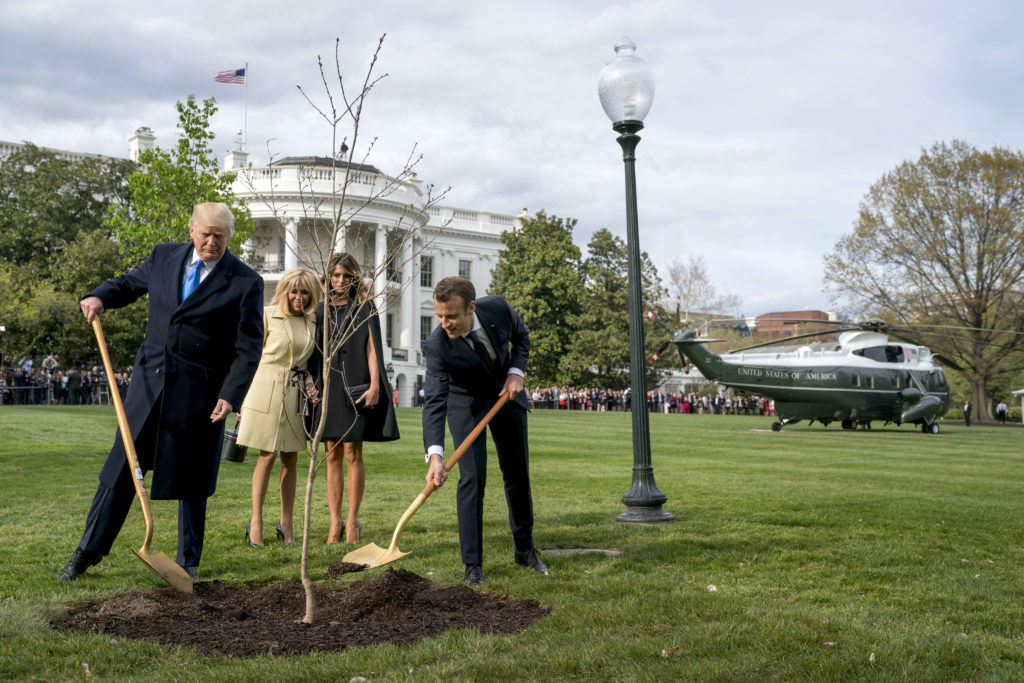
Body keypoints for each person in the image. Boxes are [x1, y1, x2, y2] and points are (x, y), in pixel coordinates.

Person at [58, 202, 264, 582]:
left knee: (193, 481)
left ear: (230, 237)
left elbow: (249, 348)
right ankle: (86, 553)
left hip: (200, 396)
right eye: (205, 233)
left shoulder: (246, 281)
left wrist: (230, 394)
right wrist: (100, 295)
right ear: (191, 230)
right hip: (148, 387)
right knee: (120, 472)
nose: (211, 242)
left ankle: (188, 563)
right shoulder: (164, 256)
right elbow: (128, 284)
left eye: (220, 236)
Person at [423, 276, 547, 586]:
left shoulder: (498, 309)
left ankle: (525, 550)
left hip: (507, 394)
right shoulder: (437, 345)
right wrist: (435, 455)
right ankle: (472, 565)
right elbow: (435, 402)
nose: (444, 323)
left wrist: (516, 373)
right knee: (473, 478)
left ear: (471, 308)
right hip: (465, 404)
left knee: (517, 474)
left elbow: (522, 336)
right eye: (439, 316)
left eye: (451, 316)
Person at [308, 253, 398, 545]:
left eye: (346, 276)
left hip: (357, 384)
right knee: (331, 452)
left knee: (352, 453)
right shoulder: (319, 310)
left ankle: (354, 521)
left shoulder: (364, 308)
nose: (340, 281)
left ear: (354, 278)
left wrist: (374, 385)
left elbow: (373, 349)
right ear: (328, 277)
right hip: (328, 386)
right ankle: (335, 523)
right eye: (335, 275)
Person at [237, 268, 320, 546]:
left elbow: (305, 362)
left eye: (305, 292)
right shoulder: (267, 314)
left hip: (295, 392)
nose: (299, 297)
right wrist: (240, 397)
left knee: (291, 458)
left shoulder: (313, 321)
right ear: (284, 291)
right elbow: (250, 357)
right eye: (294, 291)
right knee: (267, 455)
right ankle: (256, 522)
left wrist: (309, 383)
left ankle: (286, 523)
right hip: (264, 388)